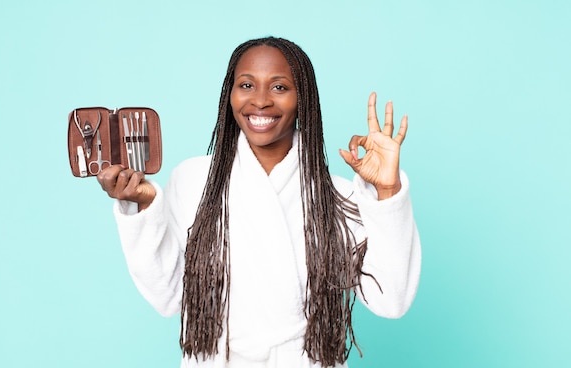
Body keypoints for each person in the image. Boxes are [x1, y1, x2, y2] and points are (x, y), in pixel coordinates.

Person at [97, 36, 421, 368]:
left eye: (279, 87)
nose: (261, 101)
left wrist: (387, 191)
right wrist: (145, 205)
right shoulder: (193, 180)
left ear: (302, 99)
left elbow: (391, 300)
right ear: (230, 95)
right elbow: (168, 298)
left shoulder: (336, 196)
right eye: (247, 84)